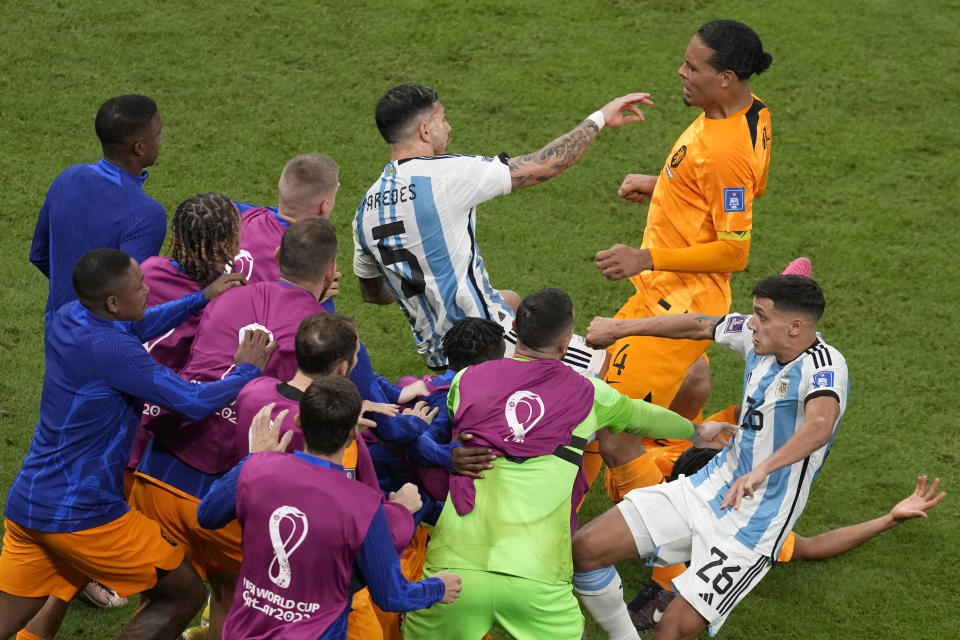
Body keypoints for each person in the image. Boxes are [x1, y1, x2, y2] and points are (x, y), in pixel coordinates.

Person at [402, 289, 731, 640]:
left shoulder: (465, 382)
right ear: (564, 345)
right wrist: (696, 430)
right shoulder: (590, 394)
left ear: (514, 328)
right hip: (536, 579)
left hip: (454, 572)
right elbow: (641, 415)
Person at [0, 248, 274, 640]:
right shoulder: (113, 352)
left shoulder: (71, 317)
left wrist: (200, 298)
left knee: (8, 614)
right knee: (182, 593)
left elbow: (136, 326)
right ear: (112, 302)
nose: (148, 288)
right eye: (138, 286)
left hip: (31, 501)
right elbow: (192, 402)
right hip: (83, 515)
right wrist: (247, 370)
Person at [574, 275, 846, 640]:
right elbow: (698, 324)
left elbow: (820, 425)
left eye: (762, 316)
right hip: (708, 485)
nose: (751, 322)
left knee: (671, 629)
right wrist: (620, 327)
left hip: (755, 521)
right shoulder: (757, 338)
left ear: (795, 327)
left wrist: (761, 470)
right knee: (585, 550)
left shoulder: (825, 366)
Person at [591, 20, 774, 505]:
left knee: (604, 422)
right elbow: (744, 193)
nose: (681, 72)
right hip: (664, 291)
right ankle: (673, 454)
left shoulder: (726, 151)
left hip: (679, 296)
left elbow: (736, 250)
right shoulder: (753, 113)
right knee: (664, 381)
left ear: (726, 77)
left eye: (693, 67)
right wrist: (666, 186)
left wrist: (645, 256)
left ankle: (659, 526)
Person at [129, 218, 338, 639]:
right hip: (229, 495)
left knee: (163, 597)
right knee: (231, 597)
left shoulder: (225, 298)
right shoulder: (324, 333)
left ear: (277, 257)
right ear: (332, 273)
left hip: (158, 474)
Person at [353, 82, 653, 371]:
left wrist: (422, 284)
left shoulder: (364, 210)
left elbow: (373, 293)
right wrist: (599, 117)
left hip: (442, 359)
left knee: (509, 298)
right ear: (424, 130)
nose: (449, 127)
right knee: (614, 371)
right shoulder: (444, 175)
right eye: (442, 119)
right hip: (491, 344)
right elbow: (542, 166)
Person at [196, 377, 462, 639]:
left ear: (300, 422)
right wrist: (438, 587)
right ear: (353, 433)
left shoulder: (257, 471)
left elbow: (207, 515)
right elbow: (392, 594)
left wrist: (253, 459)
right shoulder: (362, 503)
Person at [628, 445, 946, 630]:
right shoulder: (654, 479)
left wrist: (888, 519)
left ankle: (663, 589)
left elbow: (814, 547)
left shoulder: (750, 530)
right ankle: (661, 587)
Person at [29, 95, 167, 322]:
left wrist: (75, 295)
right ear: (139, 148)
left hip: (58, 335)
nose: (161, 138)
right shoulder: (147, 214)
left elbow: (39, 255)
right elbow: (130, 303)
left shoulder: (67, 178)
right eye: (158, 133)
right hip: (103, 346)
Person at [230, 153, 340, 292]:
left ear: (280, 188)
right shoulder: (312, 266)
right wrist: (315, 296)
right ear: (323, 207)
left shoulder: (241, 215)